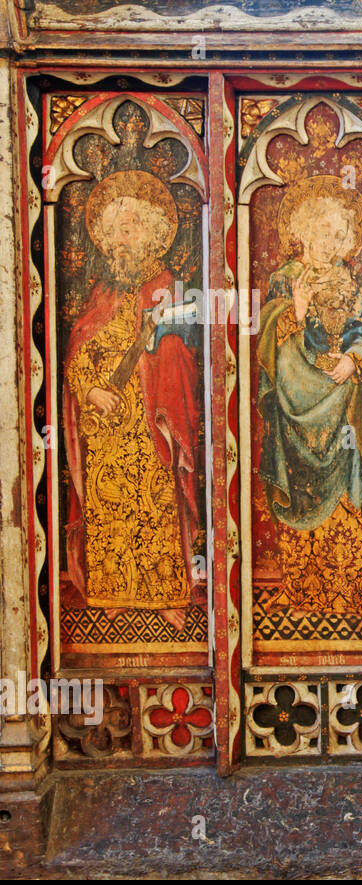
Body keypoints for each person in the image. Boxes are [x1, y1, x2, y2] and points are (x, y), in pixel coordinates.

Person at [63, 169, 201, 633]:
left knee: (157, 507)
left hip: (150, 424)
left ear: (155, 234)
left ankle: (167, 595)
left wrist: (161, 359)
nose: (123, 239)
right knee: (111, 511)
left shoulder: (167, 286)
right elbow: (78, 352)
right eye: (116, 230)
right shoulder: (102, 292)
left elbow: (186, 344)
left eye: (133, 228)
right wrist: (89, 389)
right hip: (105, 429)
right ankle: (112, 593)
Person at [256, 174, 362, 625]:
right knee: (298, 496)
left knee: (342, 491)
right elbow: (264, 344)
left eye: (340, 235)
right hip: (295, 407)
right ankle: (300, 586)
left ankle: (341, 585)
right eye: (323, 232)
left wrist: (355, 360)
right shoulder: (285, 280)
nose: (331, 243)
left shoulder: (354, 284)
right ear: (303, 231)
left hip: (342, 407)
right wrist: (294, 316)